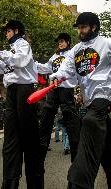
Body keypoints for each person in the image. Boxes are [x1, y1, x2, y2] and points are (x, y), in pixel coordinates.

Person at [49, 12, 111, 189]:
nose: (80, 31)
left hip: (102, 99)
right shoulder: (75, 50)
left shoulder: (107, 44)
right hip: (89, 103)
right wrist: (56, 77)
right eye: (78, 28)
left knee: (90, 122)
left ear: (94, 27)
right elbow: (65, 70)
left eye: (83, 27)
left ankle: (78, 183)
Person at [0, 20, 43, 188]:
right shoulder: (10, 50)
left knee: (29, 137)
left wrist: (0, 53)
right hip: (12, 92)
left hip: (25, 91)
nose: (5, 33)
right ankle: (10, 181)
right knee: (10, 139)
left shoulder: (23, 45)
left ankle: (34, 181)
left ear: (16, 30)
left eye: (8, 30)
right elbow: (3, 68)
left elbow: (19, 61)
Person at [35, 33, 80, 166]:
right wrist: (32, 63)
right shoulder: (54, 57)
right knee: (47, 114)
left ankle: (76, 151)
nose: (59, 43)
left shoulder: (71, 54)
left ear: (68, 42)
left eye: (62, 41)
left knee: (69, 116)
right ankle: (41, 147)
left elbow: (73, 71)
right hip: (53, 89)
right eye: (58, 42)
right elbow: (45, 68)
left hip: (66, 88)